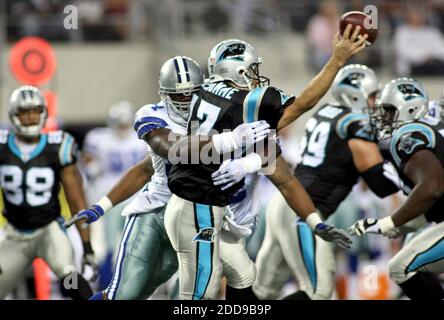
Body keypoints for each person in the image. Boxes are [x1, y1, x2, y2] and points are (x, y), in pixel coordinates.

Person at [165, 24, 368, 300]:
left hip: (206, 207)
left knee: (244, 274)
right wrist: (337, 60)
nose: (256, 78)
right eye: (250, 71)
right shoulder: (245, 104)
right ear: (237, 72)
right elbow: (302, 105)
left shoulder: (205, 96)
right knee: (200, 292)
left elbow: (285, 179)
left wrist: (314, 222)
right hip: (198, 206)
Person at [66, 56, 268, 300]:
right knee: (123, 294)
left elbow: (273, 146)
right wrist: (101, 207)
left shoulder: (217, 116)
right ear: (164, 94)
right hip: (155, 211)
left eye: (191, 94)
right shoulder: (153, 114)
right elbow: (167, 152)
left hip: (192, 215)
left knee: (166, 292)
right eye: (178, 95)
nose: (185, 101)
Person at [251, 64, 400, 300]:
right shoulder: (356, 124)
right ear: (355, 95)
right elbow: (380, 184)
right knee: (318, 292)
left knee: (263, 292)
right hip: (303, 212)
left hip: (284, 205)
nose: (375, 102)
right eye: (372, 96)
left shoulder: (327, 112)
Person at [349, 78, 444, 300]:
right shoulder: (430, 130)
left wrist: (388, 223)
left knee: (402, 267)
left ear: (409, 109)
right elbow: (435, 208)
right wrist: (390, 226)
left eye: (389, 111)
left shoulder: (408, 133)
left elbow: (431, 188)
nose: (382, 117)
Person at [0, 86, 96, 300]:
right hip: (15, 234)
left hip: (50, 231)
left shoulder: (58, 146)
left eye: (35, 111)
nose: (31, 117)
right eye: (24, 112)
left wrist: (87, 246)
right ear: (14, 116)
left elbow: (76, 199)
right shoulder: (3, 145)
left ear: (44, 113)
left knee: (70, 280)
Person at [82, 101, 146, 284]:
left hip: (128, 197)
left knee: (133, 244)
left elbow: (90, 169)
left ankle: (126, 282)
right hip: (111, 197)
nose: (123, 127)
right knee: (107, 246)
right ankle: (108, 283)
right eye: (120, 123)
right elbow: (89, 166)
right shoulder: (99, 138)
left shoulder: (139, 139)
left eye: (125, 123)